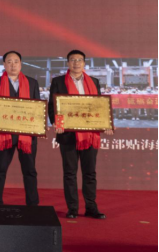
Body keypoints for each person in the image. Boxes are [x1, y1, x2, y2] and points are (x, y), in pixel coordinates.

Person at [48, 50, 113, 220]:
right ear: (68, 63)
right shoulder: (58, 81)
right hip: (68, 134)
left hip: (89, 134)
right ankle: (72, 208)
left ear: (84, 63)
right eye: (73, 60)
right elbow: (52, 105)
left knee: (89, 173)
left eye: (79, 60)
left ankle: (91, 207)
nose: (76, 63)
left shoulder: (94, 82)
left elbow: (99, 106)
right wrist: (55, 122)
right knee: (70, 173)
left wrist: (106, 123)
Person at [0, 51, 41, 207]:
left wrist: (39, 127)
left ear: (21, 64)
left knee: (30, 170)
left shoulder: (32, 83)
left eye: (16, 61)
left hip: (27, 135)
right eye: (9, 62)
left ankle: (32, 204)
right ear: (4, 64)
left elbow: (37, 108)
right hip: (4, 134)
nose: (13, 65)